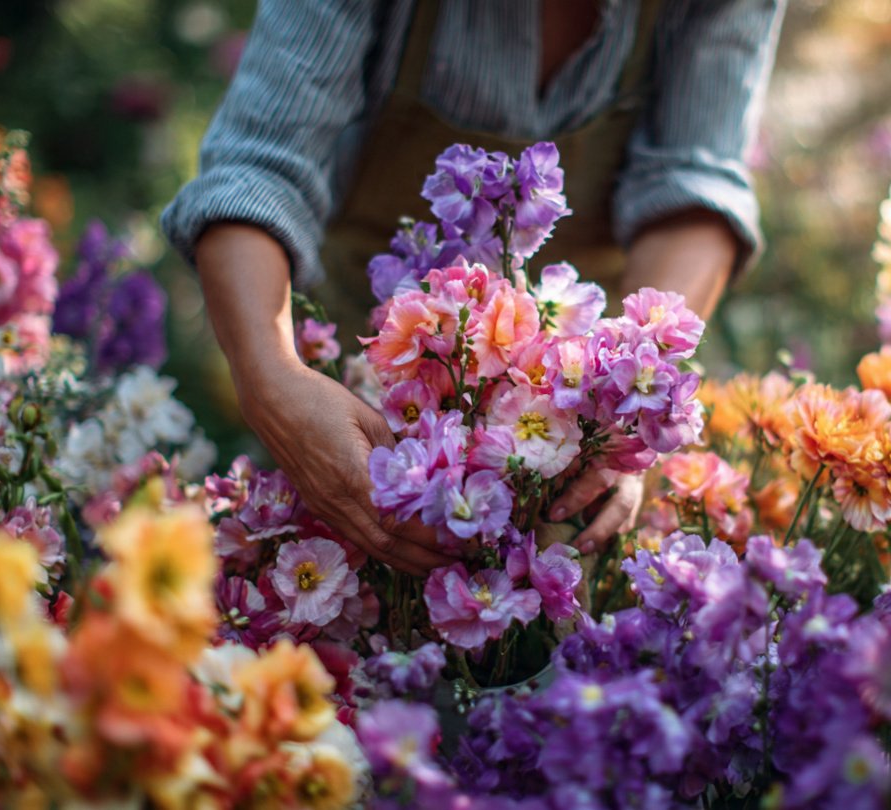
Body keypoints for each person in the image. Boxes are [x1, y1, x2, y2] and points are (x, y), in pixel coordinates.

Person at [162, 0, 785, 574]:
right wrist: (273, 379)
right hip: (348, 387)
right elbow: (259, 164)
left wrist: (626, 405)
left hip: (570, 402)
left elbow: (693, 180)